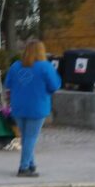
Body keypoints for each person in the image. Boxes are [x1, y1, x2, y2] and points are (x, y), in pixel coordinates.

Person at [5, 40, 61, 178]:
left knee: (26, 137)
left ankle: (31, 164)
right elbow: (54, 86)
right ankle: (23, 167)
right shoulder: (45, 67)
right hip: (37, 107)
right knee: (30, 137)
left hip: (18, 107)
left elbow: (8, 84)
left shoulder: (15, 66)